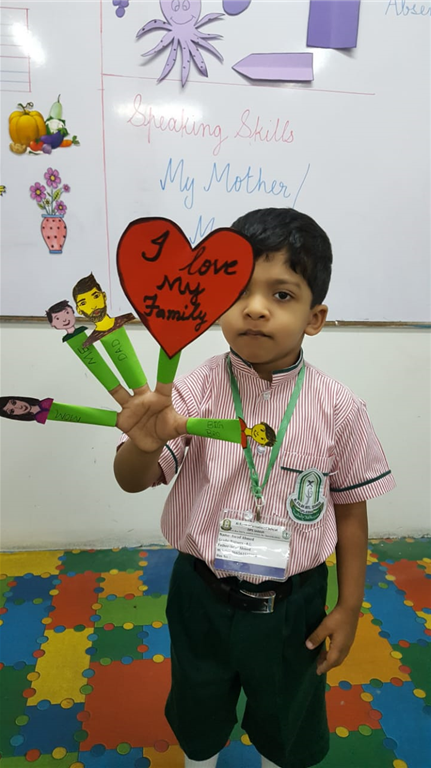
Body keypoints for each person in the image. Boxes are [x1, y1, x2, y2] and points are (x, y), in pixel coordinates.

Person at [113, 207, 395, 768]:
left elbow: (349, 511)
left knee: (288, 722)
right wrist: (142, 446)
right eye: (239, 291)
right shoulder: (192, 390)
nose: (256, 307)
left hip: (295, 605)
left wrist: (349, 606)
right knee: (197, 713)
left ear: (315, 317)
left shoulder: (340, 408)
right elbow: (132, 480)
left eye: (282, 294)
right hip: (201, 594)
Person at [73, 273, 134, 347]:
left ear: (104, 296)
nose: (93, 306)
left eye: (96, 296)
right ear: (78, 310)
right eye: (83, 303)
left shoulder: (129, 318)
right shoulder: (89, 342)